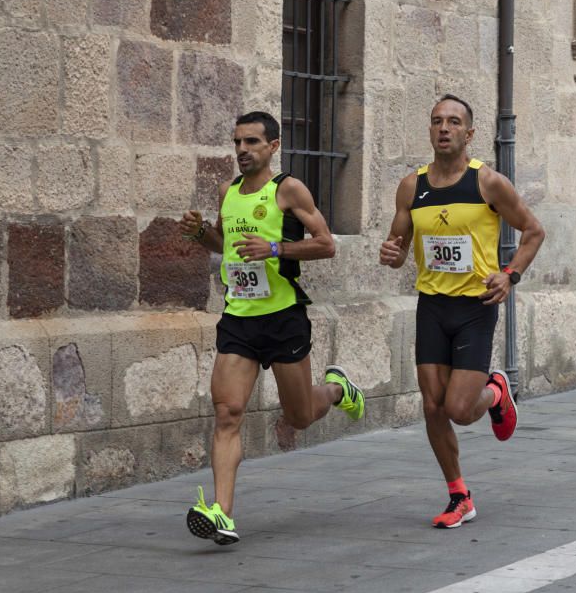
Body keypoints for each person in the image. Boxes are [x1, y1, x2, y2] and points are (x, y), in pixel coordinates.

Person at [178, 111, 364, 545]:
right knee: (227, 413)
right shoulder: (227, 190)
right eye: (238, 142)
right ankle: (222, 513)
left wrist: (276, 248)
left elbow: (326, 244)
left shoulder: (288, 190)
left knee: (299, 416)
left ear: (273, 146)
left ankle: (337, 390)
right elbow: (225, 245)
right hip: (239, 317)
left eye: (252, 142)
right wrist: (202, 232)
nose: (242, 150)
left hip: (283, 318)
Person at [379, 94, 545, 528]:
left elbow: (533, 230)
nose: (444, 128)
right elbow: (398, 250)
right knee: (432, 407)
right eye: (437, 121)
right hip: (432, 305)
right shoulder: (411, 187)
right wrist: (390, 253)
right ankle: (459, 496)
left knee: (459, 408)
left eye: (453, 122)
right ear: (430, 130)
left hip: (475, 307)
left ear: (469, 134)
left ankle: (495, 391)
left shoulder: (488, 183)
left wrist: (510, 273)